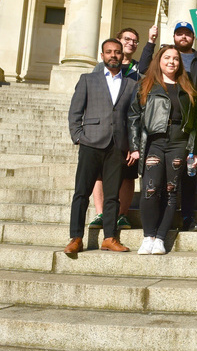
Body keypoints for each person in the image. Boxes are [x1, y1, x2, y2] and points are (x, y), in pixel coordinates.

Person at [65, 38, 137, 253]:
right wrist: (78, 136)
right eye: (109, 52)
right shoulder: (88, 79)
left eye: (117, 52)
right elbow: (75, 112)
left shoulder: (131, 83)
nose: (113, 55)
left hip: (117, 145)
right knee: (81, 192)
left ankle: (109, 237)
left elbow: (133, 117)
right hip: (90, 142)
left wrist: (132, 145)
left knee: (112, 194)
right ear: (102, 55)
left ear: (122, 55)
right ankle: (75, 237)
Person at [140, 21, 197, 232]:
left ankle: (188, 217)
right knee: (160, 179)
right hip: (163, 126)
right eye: (179, 33)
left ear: (193, 37)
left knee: (189, 174)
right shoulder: (164, 56)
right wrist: (150, 41)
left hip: (190, 121)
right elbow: (144, 69)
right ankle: (161, 220)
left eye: (187, 34)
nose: (183, 37)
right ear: (174, 37)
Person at [128, 46, 197, 255]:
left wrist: (193, 150)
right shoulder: (146, 85)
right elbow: (134, 117)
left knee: (171, 190)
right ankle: (148, 236)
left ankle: (160, 238)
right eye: (167, 58)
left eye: (176, 59)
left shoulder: (187, 88)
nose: (171, 62)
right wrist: (134, 147)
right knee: (150, 189)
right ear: (159, 60)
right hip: (154, 141)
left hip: (179, 142)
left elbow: (195, 122)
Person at [89, 28, 141, 232]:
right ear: (117, 42)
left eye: (135, 41)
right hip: (102, 130)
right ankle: (100, 213)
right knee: (100, 174)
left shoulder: (139, 71)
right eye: (127, 39)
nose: (131, 43)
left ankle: (122, 215)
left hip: (128, 130)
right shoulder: (99, 69)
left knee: (128, 175)